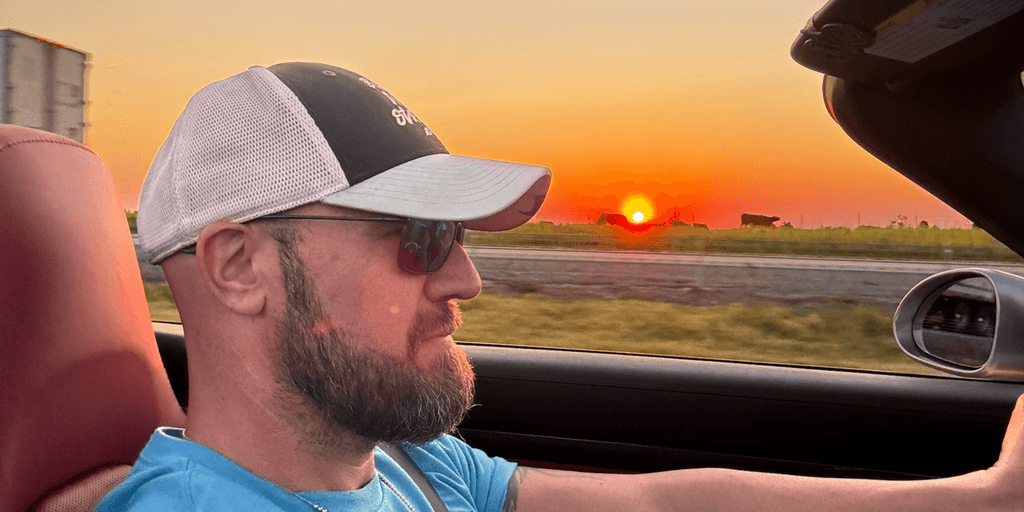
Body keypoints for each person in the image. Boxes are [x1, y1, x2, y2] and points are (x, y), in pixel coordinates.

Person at [98, 62, 1024, 512]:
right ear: (238, 266)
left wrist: (988, 497)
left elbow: (662, 505)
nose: (467, 278)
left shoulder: (403, 464)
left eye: (455, 235)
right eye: (419, 238)